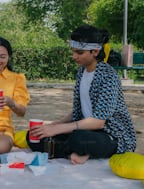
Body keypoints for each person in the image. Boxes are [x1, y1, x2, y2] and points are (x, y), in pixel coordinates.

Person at [27, 25, 136, 164]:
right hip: (86, 131)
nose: (74, 56)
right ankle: (78, 152)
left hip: (111, 135)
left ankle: (76, 150)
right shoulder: (81, 72)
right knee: (33, 136)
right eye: (73, 51)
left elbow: (98, 122)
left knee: (78, 139)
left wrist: (58, 129)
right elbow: (79, 110)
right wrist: (54, 125)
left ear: (95, 51)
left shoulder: (108, 76)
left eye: (79, 52)